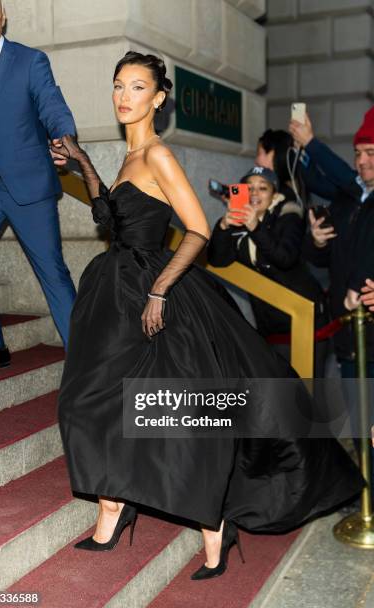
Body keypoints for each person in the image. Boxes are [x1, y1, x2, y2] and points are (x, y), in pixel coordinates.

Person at [55, 51, 363, 581]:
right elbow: (113, 215)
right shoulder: (131, 158)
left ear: (158, 99)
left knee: (181, 412)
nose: (124, 96)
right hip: (113, 291)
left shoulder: (158, 155)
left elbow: (198, 230)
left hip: (152, 290)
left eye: (137, 88)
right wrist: (84, 164)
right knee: (89, 403)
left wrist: (159, 290)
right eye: (118, 86)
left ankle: (214, 526)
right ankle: (111, 508)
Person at [0, 0, 76, 374]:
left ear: (3, 17)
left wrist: (63, 138)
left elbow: (52, 106)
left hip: (28, 184)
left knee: (52, 270)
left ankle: (84, 358)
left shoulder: (30, 61)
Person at [290, 109, 374, 498]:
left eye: (371, 152)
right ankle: (368, 493)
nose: (361, 161)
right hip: (348, 333)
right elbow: (319, 257)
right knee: (360, 419)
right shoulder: (348, 201)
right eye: (358, 152)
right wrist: (318, 241)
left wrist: (311, 143)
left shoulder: (358, 191)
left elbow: (340, 174)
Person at [207, 166, 328, 377]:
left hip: (305, 318)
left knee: (308, 395)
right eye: (249, 188)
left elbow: (284, 258)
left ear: (274, 193)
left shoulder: (288, 215)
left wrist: (255, 227)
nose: (254, 194)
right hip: (270, 324)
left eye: (262, 188)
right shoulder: (240, 220)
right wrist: (224, 225)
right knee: (281, 393)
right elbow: (218, 260)